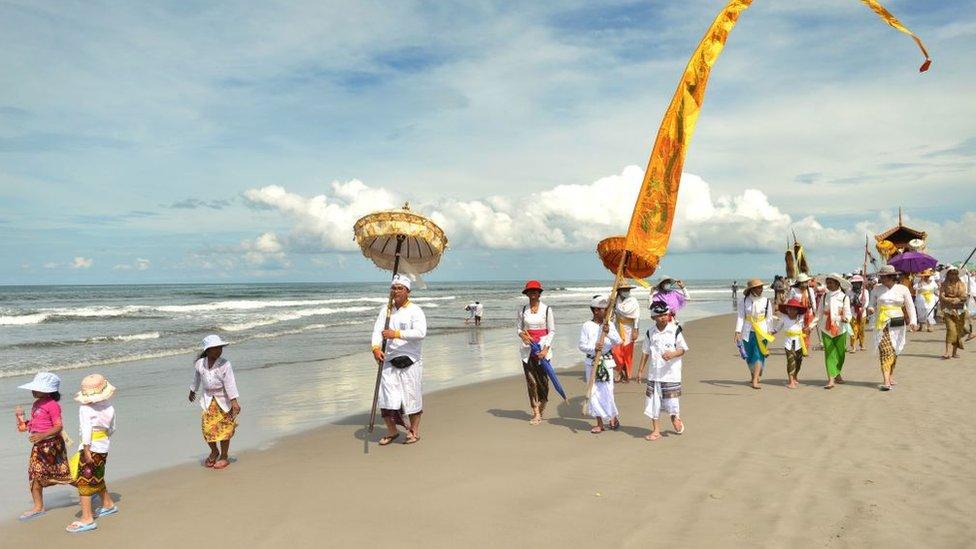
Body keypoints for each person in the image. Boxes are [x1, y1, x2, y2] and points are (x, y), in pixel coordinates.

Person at [371, 275, 427, 445]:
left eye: (400, 288)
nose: (396, 291)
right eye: (393, 288)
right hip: (388, 359)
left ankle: (414, 432)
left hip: (410, 360)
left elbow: (420, 333)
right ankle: (392, 431)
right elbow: (377, 330)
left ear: (407, 291)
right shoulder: (386, 310)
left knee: (411, 398)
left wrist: (396, 334)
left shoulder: (415, 311)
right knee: (387, 398)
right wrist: (375, 348)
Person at [13, 372, 72, 521]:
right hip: (38, 446)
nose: (33, 391)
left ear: (48, 391)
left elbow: (59, 426)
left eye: (37, 388)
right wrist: (20, 417)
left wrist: (42, 435)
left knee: (63, 473)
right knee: (34, 474)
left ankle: (88, 488)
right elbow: (25, 427)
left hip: (52, 445)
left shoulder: (52, 406)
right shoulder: (36, 404)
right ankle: (38, 507)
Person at [66, 374, 118, 534]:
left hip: (91, 447)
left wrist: (87, 449)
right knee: (97, 476)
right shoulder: (109, 407)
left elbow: (87, 430)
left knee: (84, 482)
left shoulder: (85, 408)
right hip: (103, 446)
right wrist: (103, 440)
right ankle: (108, 504)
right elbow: (112, 428)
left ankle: (87, 518)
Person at [639, 301, 688, 440]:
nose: (663, 317)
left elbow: (682, 349)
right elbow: (645, 352)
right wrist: (640, 370)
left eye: (665, 315)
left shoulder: (675, 330)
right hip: (654, 374)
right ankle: (656, 430)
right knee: (654, 403)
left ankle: (675, 418)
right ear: (653, 317)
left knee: (671, 402)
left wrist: (672, 354)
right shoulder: (650, 332)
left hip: (671, 374)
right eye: (659, 315)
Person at [189, 335, 241, 467]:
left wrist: (234, 401)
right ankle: (214, 451)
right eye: (215, 349)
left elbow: (230, 383)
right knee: (207, 428)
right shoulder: (200, 364)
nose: (218, 351)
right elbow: (196, 378)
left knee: (224, 429)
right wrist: (192, 390)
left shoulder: (225, 364)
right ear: (207, 350)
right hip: (208, 401)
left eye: (220, 348)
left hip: (223, 400)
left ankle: (224, 455)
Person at [868, 265, 918, 391]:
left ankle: (890, 375)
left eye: (884, 277)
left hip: (897, 323)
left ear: (892, 277)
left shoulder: (903, 289)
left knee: (894, 349)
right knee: (885, 350)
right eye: (881, 277)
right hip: (881, 323)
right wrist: (870, 308)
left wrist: (913, 321)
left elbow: (910, 306)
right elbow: (871, 304)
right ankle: (886, 381)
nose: (882, 279)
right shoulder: (876, 289)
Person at [579, 295, 622, 434]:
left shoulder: (608, 325)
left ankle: (612, 417)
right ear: (596, 310)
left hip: (607, 362)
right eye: (604, 310)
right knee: (594, 392)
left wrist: (609, 333)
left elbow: (618, 341)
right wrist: (594, 347)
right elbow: (581, 345)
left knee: (608, 391)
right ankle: (599, 423)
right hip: (592, 362)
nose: (606, 312)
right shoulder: (587, 325)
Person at [517, 280, 555, 425]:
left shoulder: (547, 310)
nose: (532, 294)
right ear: (526, 294)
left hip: (542, 351)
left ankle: (542, 404)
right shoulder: (522, 310)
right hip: (527, 351)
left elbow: (551, 331)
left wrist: (545, 349)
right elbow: (519, 329)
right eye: (530, 292)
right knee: (531, 382)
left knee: (543, 382)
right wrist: (523, 336)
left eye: (535, 291)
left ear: (539, 293)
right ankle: (536, 412)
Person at [735, 279, 774, 389]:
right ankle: (753, 376)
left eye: (761, 287)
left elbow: (769, 318)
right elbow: (741, 317)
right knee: (749, 355)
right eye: (758, 287)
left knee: (758, 355)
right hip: (748, 331)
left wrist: (770, 332)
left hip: (762, 331)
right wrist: (737, 331)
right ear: (752, 289)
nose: (761, 289)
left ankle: (755, 380)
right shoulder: (743, 301)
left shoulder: (766, 301)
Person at [817, 274, 852, 389]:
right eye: (827, 282)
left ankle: (837, 373)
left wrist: (846, 319)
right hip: (826, 329)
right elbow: (819, 313)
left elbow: (848, 313)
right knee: (829, 354)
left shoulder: (844, 297)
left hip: (840, 328)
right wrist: (811, 325)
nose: (829, 285)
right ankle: (831, 379)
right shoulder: (824, 297)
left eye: (831, 282)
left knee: (841, 354)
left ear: (837, 284)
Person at [769, 298, 809, 389]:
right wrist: (771, 332)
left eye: (794, 309)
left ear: (797, 310)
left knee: (799, 361)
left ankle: (795, 376)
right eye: (790, 309)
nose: (792, 311)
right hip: (788, 343)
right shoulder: (784, 318)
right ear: (787, 309)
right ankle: (791, 381)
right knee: (791, 361)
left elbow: (804, 328)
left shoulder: (800, 318)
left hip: (799, 342)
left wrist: (807, 330)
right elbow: (777, 328)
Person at [612, 281, 640, 383]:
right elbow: (611, 311)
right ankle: (619, 371)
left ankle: (627, 374)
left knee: (627, 352)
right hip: (617, 327)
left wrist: (636, 330)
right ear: (619, 291)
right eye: (624, 290)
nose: (626, 292)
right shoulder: (616, 300)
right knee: (616, 351)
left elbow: (636, 317)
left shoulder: (633, 301)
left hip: (629, 328)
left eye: (627, 290)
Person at [939, 266, 969, 359]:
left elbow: (964, 296)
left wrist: (958, 299)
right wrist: (950, 300)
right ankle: (947, 352)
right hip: (948, 310)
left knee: (957, 331)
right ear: (948, 274)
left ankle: (954, 352)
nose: (953, 275)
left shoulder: (962, 284)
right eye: (951, 273)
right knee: (951, 330)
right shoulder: (944, 284)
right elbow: (942, 296)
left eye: (955, 273)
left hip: (960, 310)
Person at [847, 275, 869, 352]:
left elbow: (866, 301)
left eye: (858, 283)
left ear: (861, 283)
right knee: (853, 330)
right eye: (854, 283)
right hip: (852, 313)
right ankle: (853, 346)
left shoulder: (865, 291)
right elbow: (847, 302)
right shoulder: (849, 292)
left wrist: (863, 307)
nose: (856, 284)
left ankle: (862, 344)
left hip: (862, 313)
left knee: (861, 329)